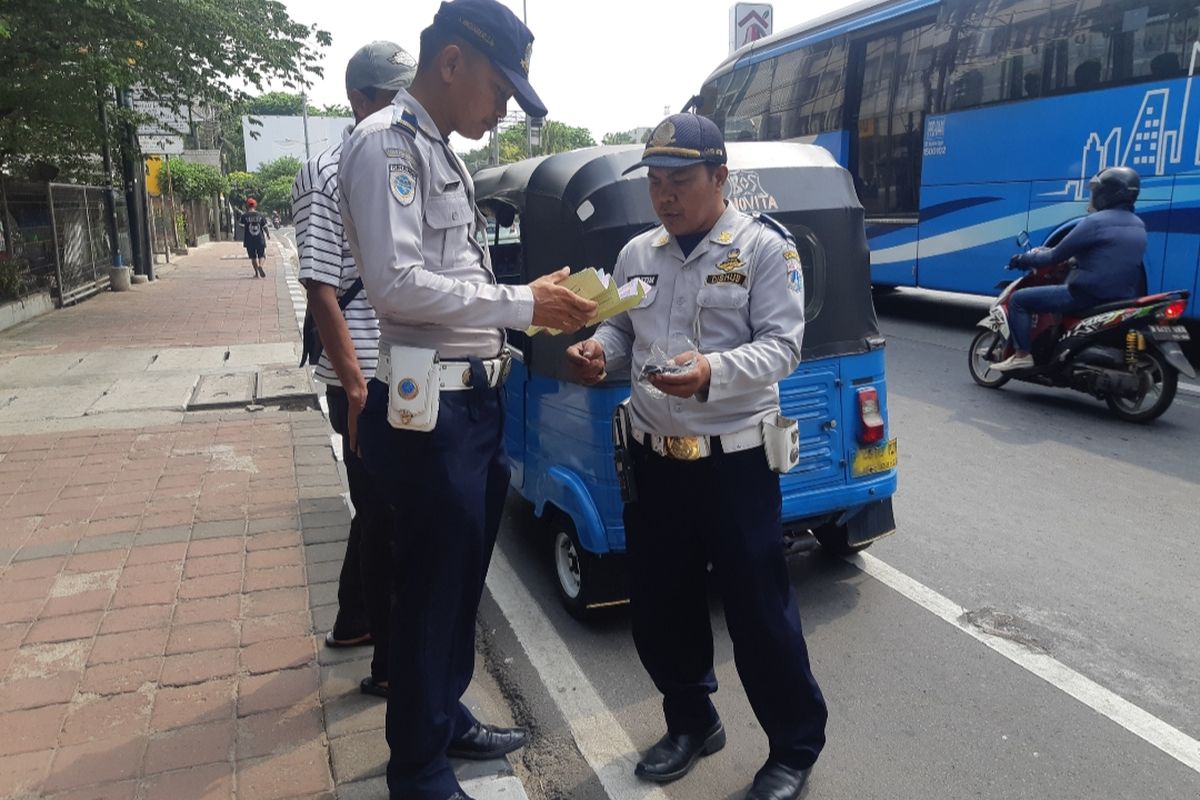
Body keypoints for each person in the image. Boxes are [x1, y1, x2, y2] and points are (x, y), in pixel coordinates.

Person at [337, 2, 596, 798]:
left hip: (469, 408)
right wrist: (524, 305)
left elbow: (462, 285)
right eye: (499, 88)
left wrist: (532, 316)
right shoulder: (387, 148)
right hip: (428, 417)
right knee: (426, 593)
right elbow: (397, 283)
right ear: (452, 63)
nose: (504, 109)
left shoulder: (439, 154)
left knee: (457, 585)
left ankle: (442, 716)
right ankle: (416, 770)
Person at [566, 113, 828, 800]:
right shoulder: (636, 255)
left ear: (720, 177)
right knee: (661, 604)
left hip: (734, 463)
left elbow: (783, 346)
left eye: (680, 180)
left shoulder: (765, 250)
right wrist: (600, 351)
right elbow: (624, 330)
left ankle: (794, 748)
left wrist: (712, 370)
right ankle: (691, 721)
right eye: (655, 182)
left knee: (759, 614)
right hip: (655, 460)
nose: (665, 195)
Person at [291, 41, 417, 700]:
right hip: (365, 377)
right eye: (392, 95)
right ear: (359, 99)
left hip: (405, 370)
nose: (404, 107)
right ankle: (392, 667)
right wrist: (357, 387)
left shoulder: (400, 159)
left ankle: (354, 620)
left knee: (379, 510)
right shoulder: (327, 169)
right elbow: (320, 287)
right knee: (384, 513)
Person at [993, 166, 1147, 371]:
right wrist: (1075, 262)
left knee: (1020, 300)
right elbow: (1109, 257)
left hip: (1085, 295)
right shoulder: (1138, 224)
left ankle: (1022, 354)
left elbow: (1053, 255)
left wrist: (1024, 258)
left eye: (1096, 191)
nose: (1093, 196)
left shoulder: (1095, 222)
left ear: (1108, 193)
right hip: (1120, 298)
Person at [238, 198, 270, 277]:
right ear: (255, 205)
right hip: (260, 239)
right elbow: (265, 227)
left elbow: (241, 226)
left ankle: (256, 273)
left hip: (249, 240)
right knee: (262, 255)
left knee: (253, 257)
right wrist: (268, 234)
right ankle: (260, 266)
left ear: (247, 205)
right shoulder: (260, 215)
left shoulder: (244, 216)